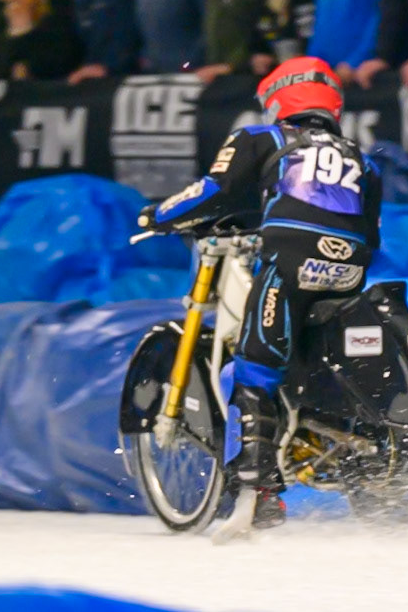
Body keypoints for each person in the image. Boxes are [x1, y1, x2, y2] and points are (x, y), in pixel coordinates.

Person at [140, 56, 380, 535]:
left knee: (252, 366)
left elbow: (213, 191)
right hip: (349, 265)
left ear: (279, 98)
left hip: (289, 259)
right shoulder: (360, 156)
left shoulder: (261, 138)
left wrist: (157, 215)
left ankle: (258, 495)